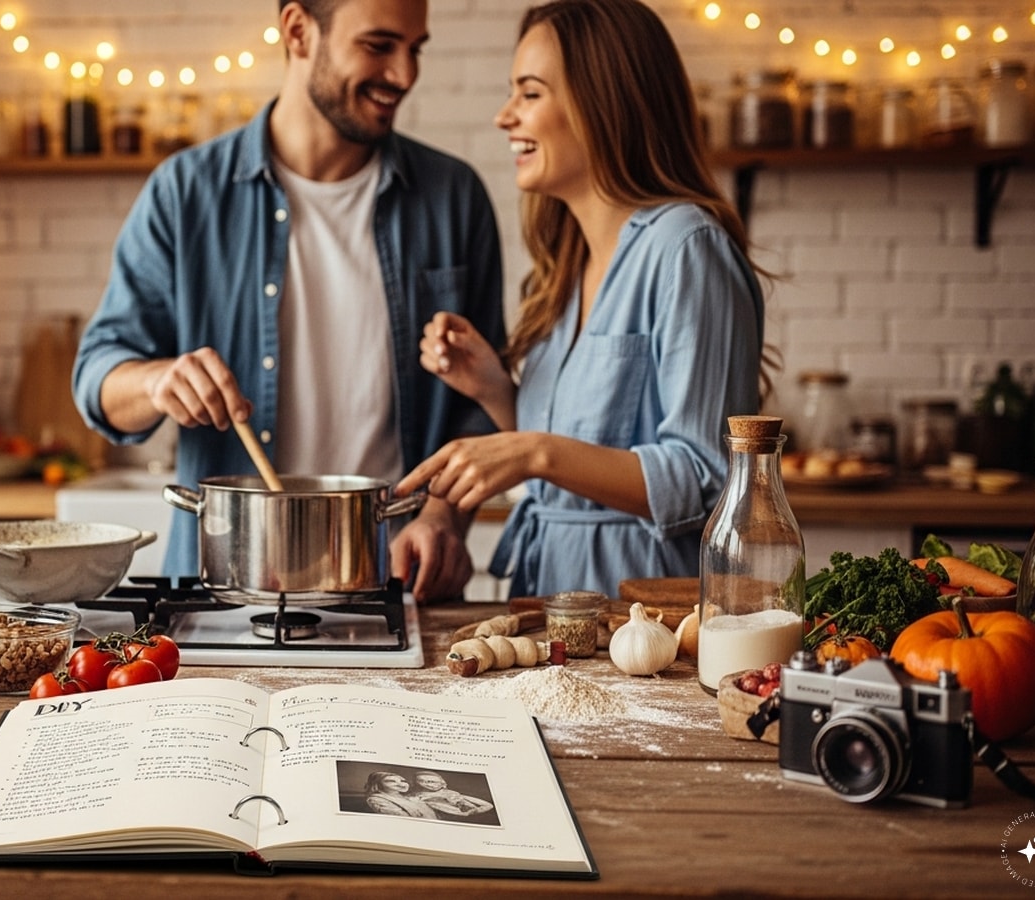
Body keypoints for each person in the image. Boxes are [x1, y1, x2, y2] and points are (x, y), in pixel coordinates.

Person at [71, 0, 506, 601]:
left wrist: (441, 517)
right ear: (299, 31)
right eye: (379, 46)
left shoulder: (454, 198)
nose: (405, 74)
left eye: (416, 48)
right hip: (222, 592)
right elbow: (96, 379)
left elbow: (480, 409)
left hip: (395, 587)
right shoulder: (185, 192)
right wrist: (157, 381)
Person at [395, 0, 769, 599]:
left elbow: (711, 479)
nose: (504, 116)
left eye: (530, 93)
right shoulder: (569, 263)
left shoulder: (686, 248)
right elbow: (587, 455)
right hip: (555, 606)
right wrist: (496, 390)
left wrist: (534, 452)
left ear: (604, 106)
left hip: (644, 618)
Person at [410, 770, 494, 817]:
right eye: (421, 781)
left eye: (431, 782)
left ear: (442, 783)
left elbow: (487, 806)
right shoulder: (416, 795)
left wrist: (471, 810)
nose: (427, 784)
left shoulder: (451, 794)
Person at [362, 770, 437, 818]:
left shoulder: (409, 797)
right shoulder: (376, 799)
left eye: (403, 781)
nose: (401, 784)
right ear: (377, 784)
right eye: (391, 781)